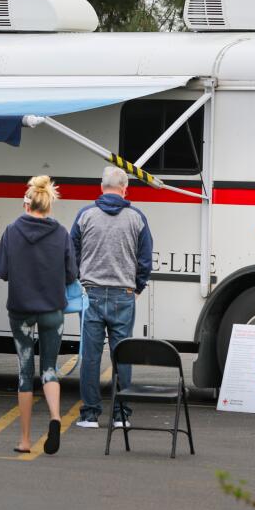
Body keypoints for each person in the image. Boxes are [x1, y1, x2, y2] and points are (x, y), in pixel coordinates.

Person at [0, 175, 78, 455]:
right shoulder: (61, 233)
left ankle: (25, 440)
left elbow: (2, 271)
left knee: (25, 372)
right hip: (52, 310)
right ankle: (55, 418)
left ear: (26, 203)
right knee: (50, 369)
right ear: (49, 206)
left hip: (21, 311)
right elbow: (71, 274)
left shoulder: (11, 231)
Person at [70, 166, 153, 429]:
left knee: (91, 357)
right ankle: (121, 415)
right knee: (122, 356)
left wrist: (77, 282)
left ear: (101, 187)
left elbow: (71, 254)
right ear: (125, 188)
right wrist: (137, 287)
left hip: (90, 294)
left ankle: (90, 415)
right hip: (124, 295)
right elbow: (145, 260)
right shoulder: (137, 218)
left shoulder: (85, 216)